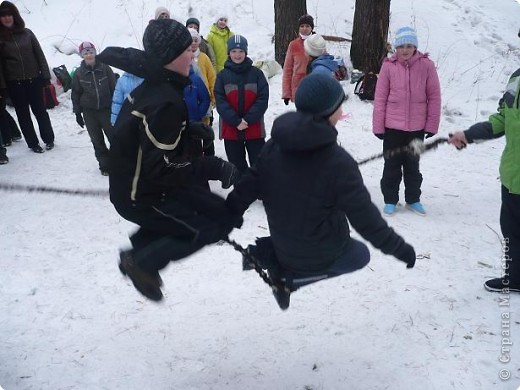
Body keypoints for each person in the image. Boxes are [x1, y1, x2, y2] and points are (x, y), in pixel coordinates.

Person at [226, 73, 416, 310]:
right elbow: (366, 220)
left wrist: (225, 215)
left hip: (283, 242)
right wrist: (400, 249)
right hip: (314, 252)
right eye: (340, 104)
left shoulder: (274, 145)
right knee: (360, 256)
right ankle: (289, 279)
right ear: (329, 111)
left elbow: (247, 185)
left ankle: (268, 252)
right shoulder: (338, 162)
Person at [96, 19, 240, 302]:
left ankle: (140, 248)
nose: (193, 55)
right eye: (187, 50)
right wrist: (213, 166)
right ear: (169, 57)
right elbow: (163, 166)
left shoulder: (157, 85)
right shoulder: (164, 102)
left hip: (143, 183)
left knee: (215, 212)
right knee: (205, 227)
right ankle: (142, 262)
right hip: (141, 194)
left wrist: (187, 130)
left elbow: (147, 139)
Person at [448, 42, 520, 293]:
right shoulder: (517, 78)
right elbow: (501, 119)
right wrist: (468, 134)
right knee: (511, 230)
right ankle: (516, 277)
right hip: (513, 175)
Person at [372, 27, 441, 216]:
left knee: (413, 165)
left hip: (417, 129)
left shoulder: (427, 65)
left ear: (415, 47)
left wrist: (431, 124)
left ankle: (413, 199)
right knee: (391, 166)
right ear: (396, 47)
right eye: (401, 46)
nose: (405, 50)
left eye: (409, 46)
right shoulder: (388, 66)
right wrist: (378, 126)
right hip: (392, 128)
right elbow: (380, 98)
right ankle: (390, 200)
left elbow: (434, 96)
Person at [0, 0, 55, 153]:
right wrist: (3, 87)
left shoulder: (27, 33)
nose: (7, 18)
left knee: (40, 111)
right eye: (3, 16)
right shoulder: (0, 39)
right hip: (14, 83)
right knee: (23, 115)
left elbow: (39, 55)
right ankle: (33, 143)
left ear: (15, 16)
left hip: (33, 79)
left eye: (9, 14)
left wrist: (45, 75)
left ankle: (49, 139)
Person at [215, 35, 269, 176]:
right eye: (234, 51)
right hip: (231, 129)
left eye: (240, 51)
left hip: (254, 128)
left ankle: (262, 191)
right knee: (237, 164)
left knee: (259, 163)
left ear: (246, 52)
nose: (237, 55)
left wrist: (248, 120)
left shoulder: (257, 74)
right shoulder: (222, 76)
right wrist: (236, 121)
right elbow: (220, 102)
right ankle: (242, 193)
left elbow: (262, 99)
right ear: (228, 53)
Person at [72, 41, 116, 176]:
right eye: (86, 53)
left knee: (114, 137)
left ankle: (119, 162)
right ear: (82, 56)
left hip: (106, 110)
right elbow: (76, 93)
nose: (89, 55)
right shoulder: (79, 73)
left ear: (95, 53)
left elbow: (114, 88)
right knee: (97, 140)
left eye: (91, 52)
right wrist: (77, 112)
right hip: (89, 112)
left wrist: (117, 108)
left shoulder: (105, 68)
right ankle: (105, 165)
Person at [188, 27, 216, 155]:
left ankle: (209, 154)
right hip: (191, 102)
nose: (193, 43)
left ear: (199, 42)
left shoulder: (204, 58)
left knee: (206, 128)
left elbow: (212, 77)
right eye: (190, 41)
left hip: (205, 99)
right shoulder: (184, 58)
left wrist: (213, 96)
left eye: (195, 40)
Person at [281, 14, 314, 105]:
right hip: (299, 88)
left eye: (307, 26)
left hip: (315, 85)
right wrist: (286, 93)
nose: (304, 28)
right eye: (302, 26)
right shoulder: (293, 45)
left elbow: (325, 63)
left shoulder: (318, 42)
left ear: (312, 28)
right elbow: (287, 70)